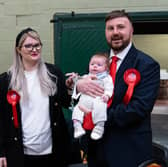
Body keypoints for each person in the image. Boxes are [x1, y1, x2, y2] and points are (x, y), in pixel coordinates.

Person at [75, 10, 160, 167]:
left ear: (131, 30)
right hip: (97, 150)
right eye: (110, 28)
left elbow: (139, 108)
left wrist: (96, 115)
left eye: (121, 27)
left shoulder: (147, 65)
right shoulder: (99, 61)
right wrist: (77, 86)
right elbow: (87, 92)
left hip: (129, 151)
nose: (115, 32)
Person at [0, 28, 71, 167]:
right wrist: (1, 151)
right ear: (18, 50)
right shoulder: (6, 81)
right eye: (28, 46)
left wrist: (71, 88)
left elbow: (67, 102)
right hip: (20, 152)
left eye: (37, 45)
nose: (34, 49)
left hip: (53, 152)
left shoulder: (53, 73)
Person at [72, 53, 113, 140]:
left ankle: (99, 127)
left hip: (97, 99)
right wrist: (75, 78)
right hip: (84, 102)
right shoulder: (86, 76)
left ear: (106, 68)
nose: (94, 66)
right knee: (77, 109)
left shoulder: (106, 78)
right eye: (92, 64)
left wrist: (107, 95)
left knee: (100, 106)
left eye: (99, 65)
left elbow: (109, 87)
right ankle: (77, 126)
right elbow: (78, 82)